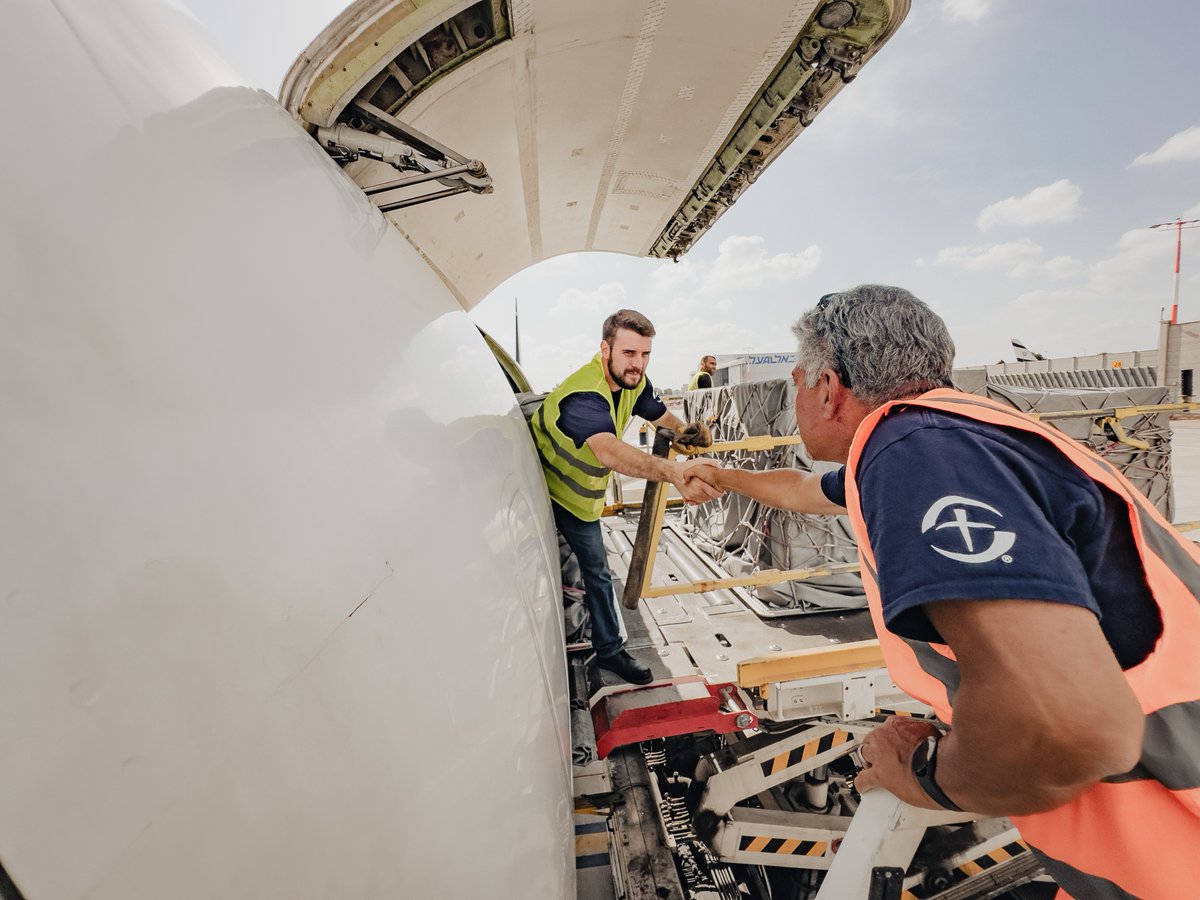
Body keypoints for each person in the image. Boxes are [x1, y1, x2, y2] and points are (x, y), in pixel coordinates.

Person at [682, 285, 1200, 899]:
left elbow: (1070, 725)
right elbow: (803, 489)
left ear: (828, 387)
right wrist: (721, 475)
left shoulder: (912, 451)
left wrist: (926, 777)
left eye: (796, 382)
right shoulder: (951, 433)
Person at [531, 309, 721, 685]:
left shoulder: (631, 382)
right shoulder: (583, 394)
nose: (638, 364)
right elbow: (609, 451)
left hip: (579, 501)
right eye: (629, 354)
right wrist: (675, 473)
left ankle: (608, 652)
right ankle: (602, 649)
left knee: (597, 575)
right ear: (606, 349)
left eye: (645, 354)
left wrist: (687, 432)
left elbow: (658, 413)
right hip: (548, 493)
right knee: (589, 574)